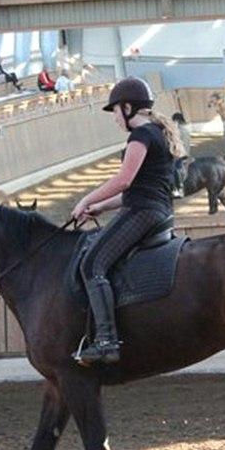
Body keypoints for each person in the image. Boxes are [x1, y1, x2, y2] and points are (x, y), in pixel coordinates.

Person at [70, 77, 184, 365]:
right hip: (153, 209)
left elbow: (124, 180)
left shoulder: (141, 136)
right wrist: (99, 206)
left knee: (91, 264)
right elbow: (137, 189)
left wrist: (85, 200)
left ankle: (107, 341)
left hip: (144, 213)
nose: (115, 119)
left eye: (115, 112)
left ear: (128, 107)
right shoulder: (158, 132)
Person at [171, 112, 190, 198]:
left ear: (176, 121)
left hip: (180, 154)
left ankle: (179, 188)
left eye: (174, 121)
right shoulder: (185, 129)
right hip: (186, 152)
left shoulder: (178, 130)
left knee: (174, 168)